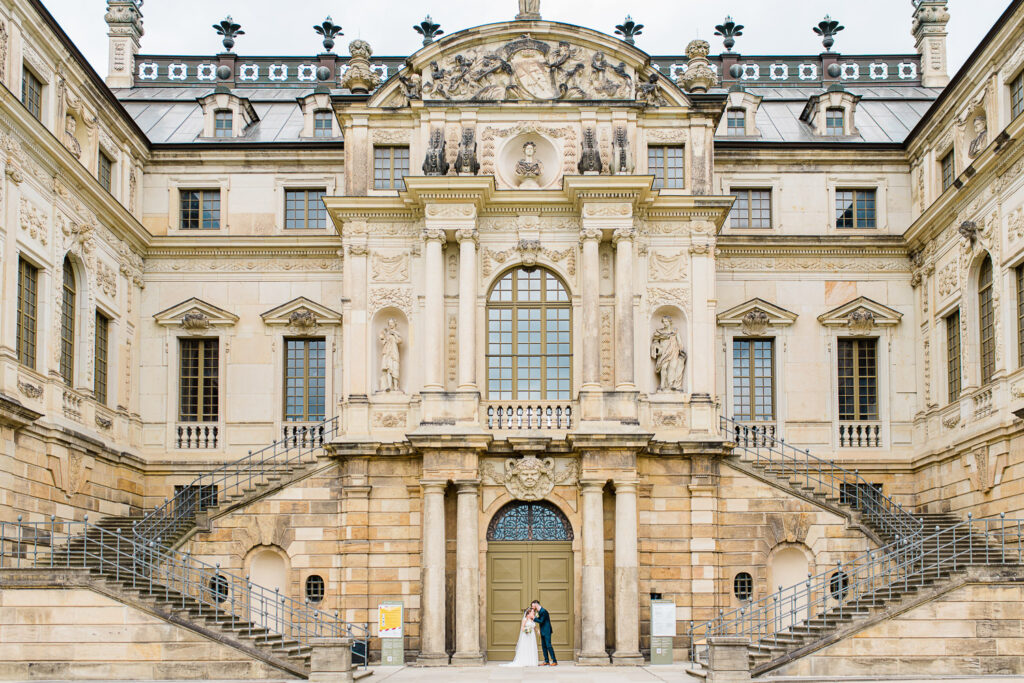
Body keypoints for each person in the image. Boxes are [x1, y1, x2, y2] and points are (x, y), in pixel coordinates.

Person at [532, 599, 557, 666]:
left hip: (547, 631)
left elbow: (541, 621)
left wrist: (533, 618)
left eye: (533, 606)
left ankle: (554, 661)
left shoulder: (543, 611)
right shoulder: (539, 611)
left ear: (536, 604)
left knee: (548, 645)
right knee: (543, 646)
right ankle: (546, 661)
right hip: (543, 631)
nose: (532, 608)